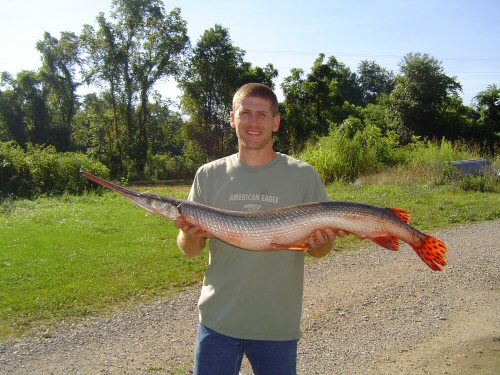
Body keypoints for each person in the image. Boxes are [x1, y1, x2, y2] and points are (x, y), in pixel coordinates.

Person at [176, 83, 339, 375]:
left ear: (275, 122)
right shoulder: (208, 175)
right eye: (246, 113)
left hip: (276, 326)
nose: (253, 122)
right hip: (217, 322)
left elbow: (320, 252)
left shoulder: (303, 176)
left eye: (262, 115)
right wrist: (189, 233)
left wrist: (322, 241)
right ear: (232, 118)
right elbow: (190, 251)